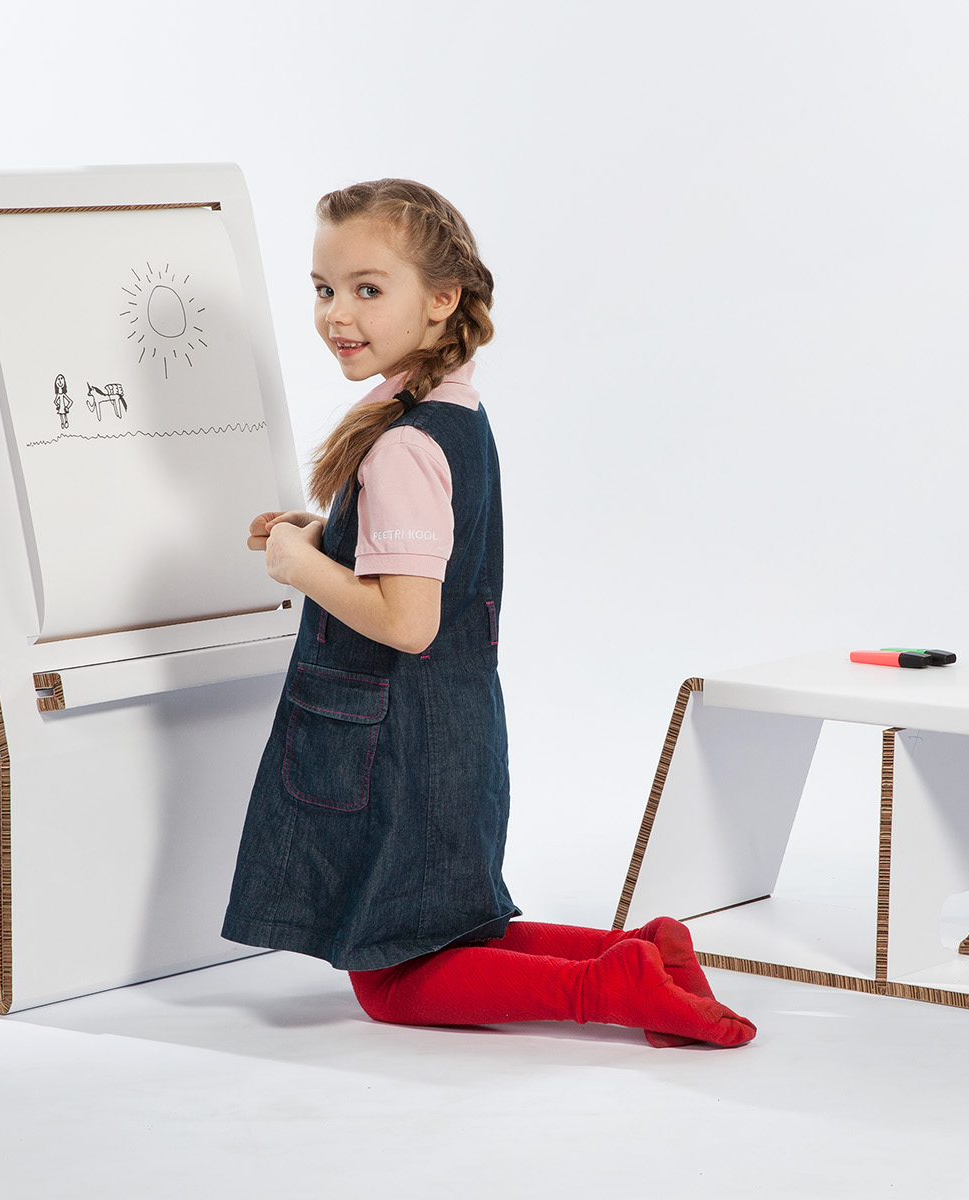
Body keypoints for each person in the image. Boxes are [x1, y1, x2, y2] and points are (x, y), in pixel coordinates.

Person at [222, 179, 754, 1049]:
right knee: (447, 929)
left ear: (442, 299)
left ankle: (607, 987)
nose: (336, 314)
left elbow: (408, 622)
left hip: (397, 740)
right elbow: (424, 561)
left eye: (367, 288)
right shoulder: (449, 413)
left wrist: (300, 566)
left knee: (393, 980)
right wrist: (327, 535)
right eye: (324, 289)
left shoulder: (403, 442)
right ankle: (645, 952)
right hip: (452, 721)